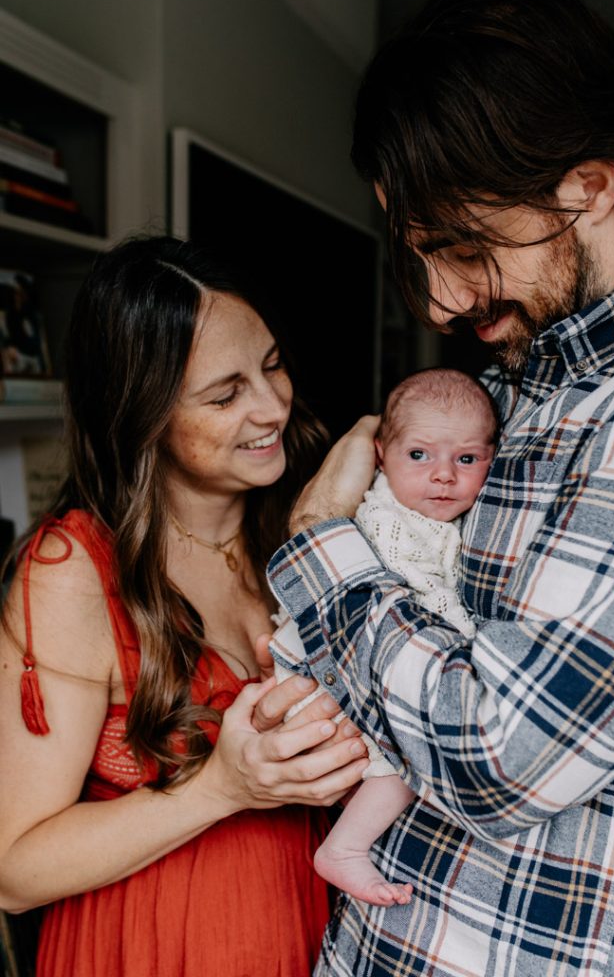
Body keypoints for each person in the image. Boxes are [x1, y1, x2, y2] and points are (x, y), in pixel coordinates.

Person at [261, 0, 614, 977]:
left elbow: (494, 758)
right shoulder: (511, 393)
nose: (440, 301)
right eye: (420, 257)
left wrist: (320, 548)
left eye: (461, 247)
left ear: (588, 185)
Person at [0, 235, 370, 977]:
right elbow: (13, 869)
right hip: (146, 949)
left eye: (272, 366)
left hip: (310, 934)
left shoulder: (303, 526)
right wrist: (221, 787)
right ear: (141, 414)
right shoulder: (74, 571)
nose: (272, 406)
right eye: (225, 395)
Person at [271, 368, 497, 907]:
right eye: (419, 455)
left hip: (348, 658)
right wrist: (471, 645)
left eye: (467, 459)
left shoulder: (429, 517)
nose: (443, 476)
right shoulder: (390, 522)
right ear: (379, 455)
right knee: (404, 762)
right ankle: (344, 849)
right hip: (325, 665)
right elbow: (424, 603)